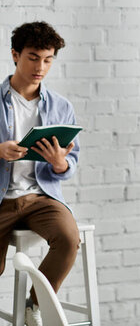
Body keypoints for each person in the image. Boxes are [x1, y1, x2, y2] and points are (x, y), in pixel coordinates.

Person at [0, 22, 80, 326]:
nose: (41, 67)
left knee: (69, 239)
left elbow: (70, 164)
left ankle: (34, 304)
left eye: (48, 60)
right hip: (2, 198)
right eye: (33, 58)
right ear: (15, 55)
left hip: (40, 196)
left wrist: (59, 162)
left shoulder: (61, 106)